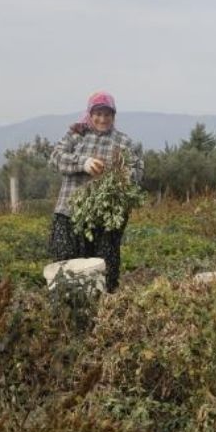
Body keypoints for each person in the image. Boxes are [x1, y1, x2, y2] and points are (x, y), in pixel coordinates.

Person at [49, 91, 144, 293]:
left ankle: (103, 313)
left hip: (105, 217)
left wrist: (125, 176)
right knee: (67, 264)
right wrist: (83, 163)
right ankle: (68, 311)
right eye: (98, 114)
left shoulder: (123, 142)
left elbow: (137, 169)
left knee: (103, 268)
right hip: (69, 212)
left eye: (107, 114)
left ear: (113, 116)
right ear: (90, 114)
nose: (102, 119)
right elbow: (56, 157)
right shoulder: (76, 134)